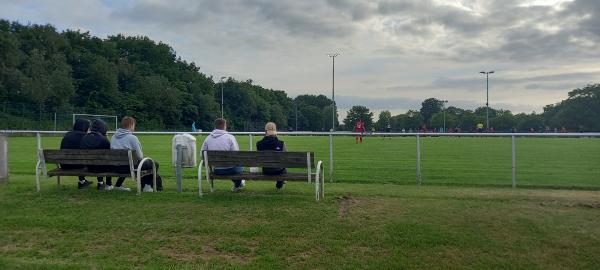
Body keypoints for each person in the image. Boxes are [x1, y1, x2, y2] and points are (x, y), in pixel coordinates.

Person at [111, 116, 163, 192]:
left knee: (129, 162)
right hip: (129, 167)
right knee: (154, 164)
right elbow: (140, 156)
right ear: (131, 125)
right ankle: (147, 186)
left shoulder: (113, 137)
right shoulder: (132, 138)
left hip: (116, 167)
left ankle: (118, 185)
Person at [201, 118, 244, 192]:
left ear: (215, 126)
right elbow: (236, 154)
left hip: (217, 170)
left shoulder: (207, 139)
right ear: (225, 126)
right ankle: (238, 184)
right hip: (231, 169)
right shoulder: (230, 137)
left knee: (232, 168)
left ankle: (238, 184)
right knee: (239, 168)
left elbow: (202, 154)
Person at [60, 118, 93, 189]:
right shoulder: (86, 136)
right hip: (79, 165)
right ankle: (101, 182)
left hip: (64, 165)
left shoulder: (67, 135)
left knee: (78, 159)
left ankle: (82, 182)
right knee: (83, 160)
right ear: (85, 127)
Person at [80, 119, 112, 190]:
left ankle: (101, 183)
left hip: (89, 167)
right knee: (106, 162)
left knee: (99, 162)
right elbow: (109, 155)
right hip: (102, 168)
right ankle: (107, 184)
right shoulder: (104, 140)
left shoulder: (84, 138)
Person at [256, 122, 287, 190]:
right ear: (275, 131)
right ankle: (279, 185)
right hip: (278, 171)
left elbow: (259, 158)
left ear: (265, 131)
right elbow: (286, 159)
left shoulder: (259, 144)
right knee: (284, 169)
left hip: (266, 170)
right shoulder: (281, 143)